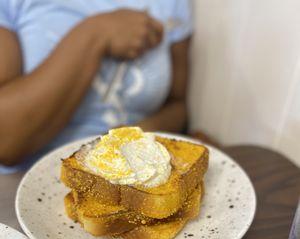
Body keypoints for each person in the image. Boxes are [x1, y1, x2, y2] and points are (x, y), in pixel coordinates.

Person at [0, 0, 193, 172]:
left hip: (133, 174)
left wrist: (129, 137)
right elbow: (6, 142)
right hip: (27, 181)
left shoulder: (173, 4)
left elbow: (177, 106)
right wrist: (95, 33)